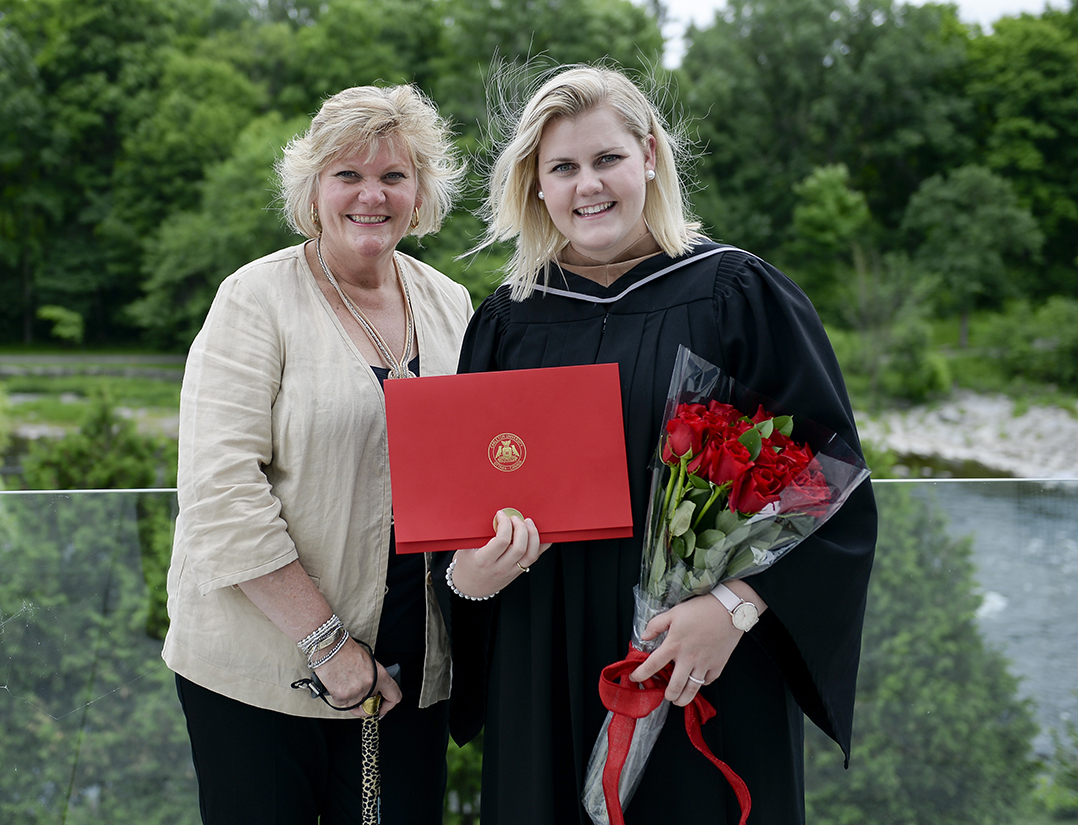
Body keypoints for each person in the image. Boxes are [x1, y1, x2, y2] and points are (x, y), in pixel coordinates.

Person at [436, 65, 878, 824]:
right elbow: (467, 504)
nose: (588, 186)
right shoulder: (508, 321)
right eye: (563, 167)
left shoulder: (737, 294)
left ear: (648, 156)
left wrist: (734, 607)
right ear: (535, 186)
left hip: (696, 657)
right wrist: (469, 578)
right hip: (541, 658)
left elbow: (826, 477)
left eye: (606, 158)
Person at [162, 84, 477, 824]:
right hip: (264, 666)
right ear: (313, 188)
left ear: (421, 192)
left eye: (394, 176)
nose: (372, 195)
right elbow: (220, 493)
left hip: (410, 670)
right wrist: (329, 645)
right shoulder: (254, 298)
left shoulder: (453, 304)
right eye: (349, 175)